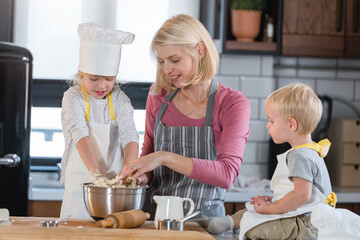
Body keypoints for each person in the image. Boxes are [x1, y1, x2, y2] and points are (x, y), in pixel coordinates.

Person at [119, 14, 251, 219]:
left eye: (174, 60)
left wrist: (164, 157)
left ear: (200, 50)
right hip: (156, 220)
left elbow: (227, 174)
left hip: (204, 223)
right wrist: (142, 175)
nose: (167, 69)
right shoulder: (158, 96)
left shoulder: (232, 103)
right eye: (162, 61)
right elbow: (150, 150)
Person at [201, 83, 336, 240]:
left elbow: (301, 195)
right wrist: (274, 201)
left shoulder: (300, 156)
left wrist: (272, 208)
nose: (268, 125)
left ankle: (234, 224)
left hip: (306, 225)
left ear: (291, 124)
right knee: (252, 210)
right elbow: (299, 193)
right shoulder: (308, 151)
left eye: (271, 121)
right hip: (301, 217)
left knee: (252, 229)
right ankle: (230, 222)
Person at [60, 22, 139, 219]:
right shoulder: (74, 97)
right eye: (94, 79)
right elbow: (79, 134)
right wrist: (96, 175)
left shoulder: (119, 99)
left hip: (113, 191)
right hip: (80, 187)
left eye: (109, 79)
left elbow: (130, 135)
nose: (102, 85)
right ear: (82, 74)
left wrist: (127, 171)